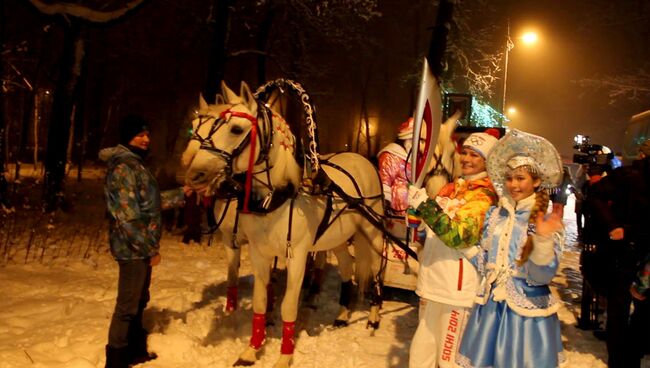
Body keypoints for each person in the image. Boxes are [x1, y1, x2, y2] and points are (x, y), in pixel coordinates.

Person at [456, 129, 565, 368]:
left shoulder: (542, 220)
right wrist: (467, 249)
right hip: (492, 307)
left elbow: (542, 275)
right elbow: (486, 260)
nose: (513, 185)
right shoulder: (496, 214)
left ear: (536, 181)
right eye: (509, 178)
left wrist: (543, 243)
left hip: (525, 317)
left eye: (520, 178)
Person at [99, 114, 186, 368]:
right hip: (132, 249)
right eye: (140, 134)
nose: (146, 138)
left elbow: (150, 204)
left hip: (140, 248)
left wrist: (184, 194)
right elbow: (128, 218)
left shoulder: (136, 164)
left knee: (139, 300)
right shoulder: (123, 168)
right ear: (128, 137)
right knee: (127, 306)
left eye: (147, 134)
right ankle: (115, 360)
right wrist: (149, 250)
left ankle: (134, 350)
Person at [406, 131, 499, 368]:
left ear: (488, 161)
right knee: (421, 353)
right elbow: (431, 227)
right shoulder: (450, 188)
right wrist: (416, 213)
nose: (466, 158)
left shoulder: (484, 194)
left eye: (475, 155)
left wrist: (425, 206)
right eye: (464, 153)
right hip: (431, 281)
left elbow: (459, 236)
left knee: (450, 359)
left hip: (456, 289)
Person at [587, 138, 650, 368]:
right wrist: (613, 225)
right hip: (626, 252)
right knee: (620, 308)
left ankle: (632, 352)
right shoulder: (628, 176)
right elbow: (595, 197)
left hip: (642, 253)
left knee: (637, 308)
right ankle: (621, 359)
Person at [377, 117, 416, 217]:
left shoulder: (414, 158)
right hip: (396, 209)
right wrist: (385, 208)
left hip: (412, 207)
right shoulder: (390, 156)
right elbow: (384, 182)